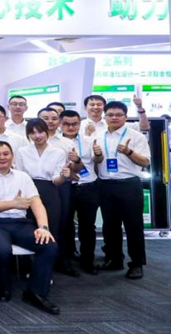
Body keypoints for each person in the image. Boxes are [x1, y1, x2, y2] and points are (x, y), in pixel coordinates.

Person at [0, 141, 59, 315]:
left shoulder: (23, 177)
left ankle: (36, 292)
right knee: (2, 250)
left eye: (6, 154)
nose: (2, 157)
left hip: (20, 223)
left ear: (12, 156)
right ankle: (4, 287)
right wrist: (14, 203)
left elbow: (36, 202)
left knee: (49, 246)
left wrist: (43, 227)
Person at [97, 101, 150, 280]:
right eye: (110, 115)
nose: (114, 118)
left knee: (133, 226)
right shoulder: (98, 135)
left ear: (125, 117)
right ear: (104, 117)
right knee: (110, 226)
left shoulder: (136, 136)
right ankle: (114, 259)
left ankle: (137, 264)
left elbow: (146, 161)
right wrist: (97, 155)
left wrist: (129, 152)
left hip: (129, 185)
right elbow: (96, 161)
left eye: (118, 115)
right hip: (105, 184)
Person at [16, 119, 75, 276]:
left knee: (52, 227)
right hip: (28, 190)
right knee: (28, 228)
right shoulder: (22, 151)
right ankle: (28, 266)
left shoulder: (58, 152)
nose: (37, 136)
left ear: (47, 132)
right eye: (32, 132)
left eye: (40, 131)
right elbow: (20, 175)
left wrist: (64, 176)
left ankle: (47, 268)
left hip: (50, 191)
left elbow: (56, 180)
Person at [58, 109, 100, 275]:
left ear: (79, 124)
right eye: (66, 124)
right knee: (65, 225)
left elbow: (98, 160)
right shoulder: (54, 142)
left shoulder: (89, 141)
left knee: (87, 226)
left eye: (74, 124)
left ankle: (88, 260)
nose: (70, 127)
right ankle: (66, 259)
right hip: (65, 187)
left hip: (87, 186)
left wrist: (98, 154)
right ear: (60, 124)